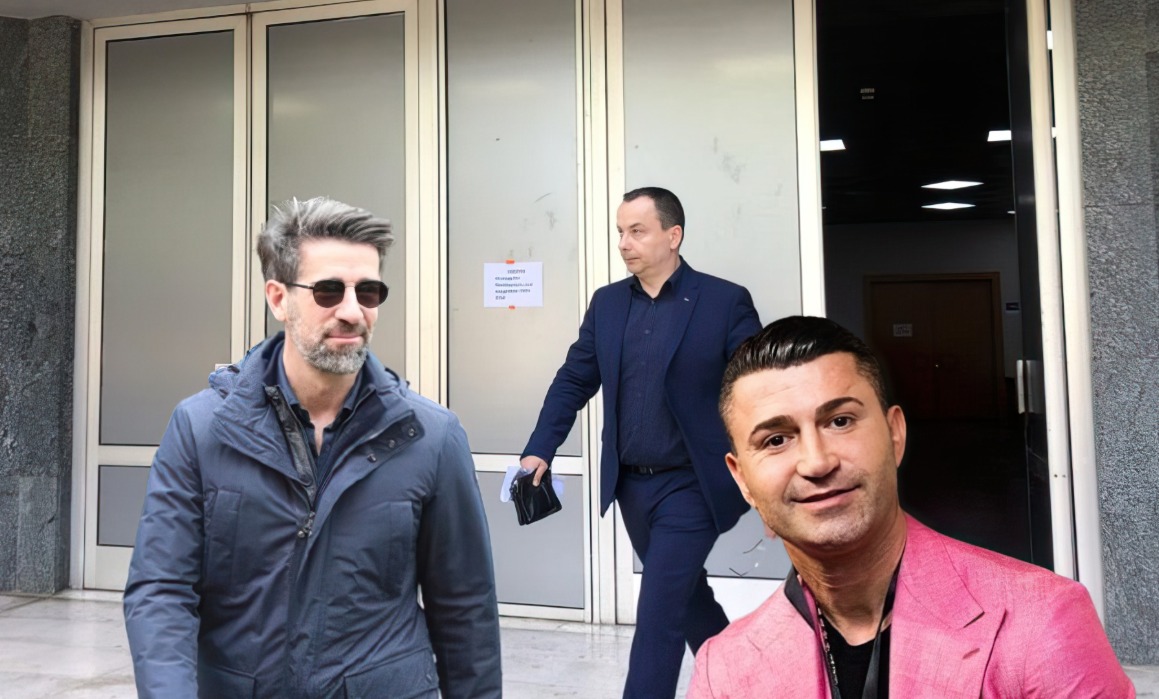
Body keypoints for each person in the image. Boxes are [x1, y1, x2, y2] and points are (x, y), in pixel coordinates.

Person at [123, 197, 502, 699]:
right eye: (328, 291)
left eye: (369, 292)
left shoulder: (431, 437)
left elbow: (465, 608)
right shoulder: (201, 429)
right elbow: (161, 590)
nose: (352, 311)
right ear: (278, 298)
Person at [689, 315, 1135, 698]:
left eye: (840, 421)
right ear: (742, 480)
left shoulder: (1041, 622)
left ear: (895, 434)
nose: (817, 462)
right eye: (775, 440)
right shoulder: (722, 670)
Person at [521, 187, 761, 698]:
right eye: (620, 232)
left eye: (637, 231)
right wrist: (541, 446)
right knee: (685, 598)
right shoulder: (608, 304)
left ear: (673, 236)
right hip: (632, 486)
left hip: (694, 484)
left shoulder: (723, 301)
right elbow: (574, 379)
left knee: (657, 614)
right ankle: (747, 684)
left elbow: (758, 388)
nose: (624, 243)